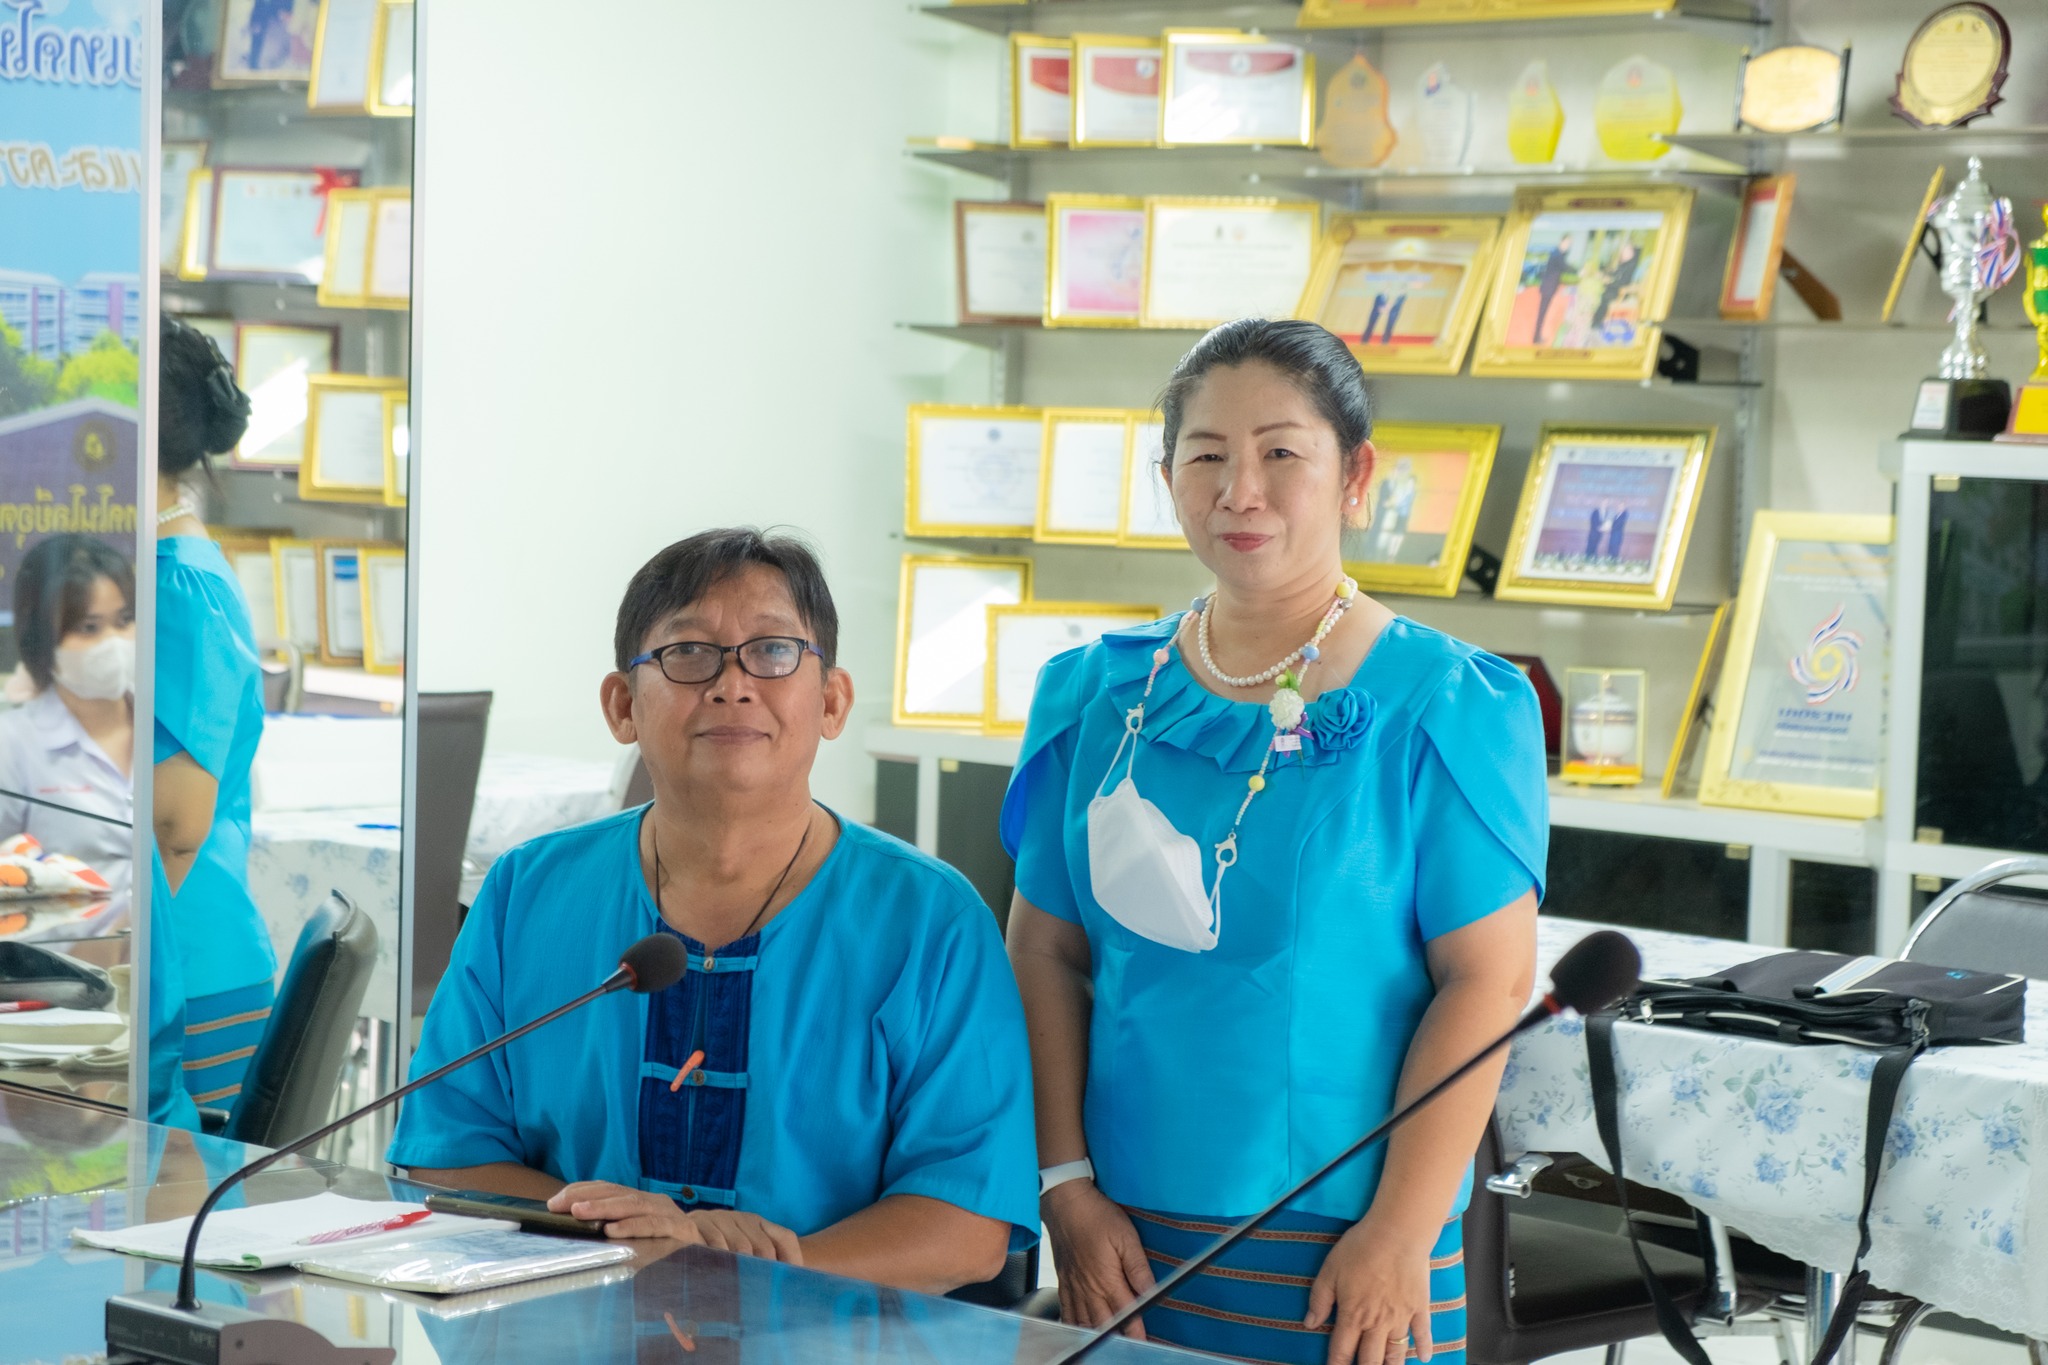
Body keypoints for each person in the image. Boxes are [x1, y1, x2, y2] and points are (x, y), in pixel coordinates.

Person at [1004, 319, 1545, 1365]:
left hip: (1348, 1242)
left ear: (1356, 475)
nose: (1237, 490)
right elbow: (1043, 951)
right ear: (1165, 476)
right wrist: (1063, 1185)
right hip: (1118, 1233)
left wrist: (1397, 1231)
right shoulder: (1085, 694)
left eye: (1280, 453)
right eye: (1203, 456)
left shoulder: (1446, 703)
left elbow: (1483, 982)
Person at [387, 528, 1037, 1294]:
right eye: (689, 653)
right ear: (622, 704)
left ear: (831, 701)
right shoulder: (526, 893)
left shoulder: (933, 921)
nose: (733, 684)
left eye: (773, 651)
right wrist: (629, 1232)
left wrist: (738, 1274)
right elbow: (443, 1153)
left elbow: (966, 1228)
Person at [153, 316, 276, 1117]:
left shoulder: (177, 585)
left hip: (191, 969)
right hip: (187, 953)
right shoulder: (170, 568)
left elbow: (175, 818)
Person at [0, 535, 138, 893]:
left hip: (167, 941)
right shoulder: (13, 744)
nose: (114, 642)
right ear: (42, 638)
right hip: (56, 945)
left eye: (124, 620)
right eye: (89, 628)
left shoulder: (167, 727)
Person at [1531, 232, 1574, 344]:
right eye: (1567, 243)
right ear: (1562, 241)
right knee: (1542, 314)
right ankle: (1536, 338)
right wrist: (1580, 271)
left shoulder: (1557, 253)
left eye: (1569, 244)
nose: (1568, 246)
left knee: (1542, 313)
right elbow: (1564, 267)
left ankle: (1537, 336)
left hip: (1548, 287)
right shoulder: (1557, 254)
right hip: (1548, 288)